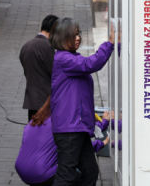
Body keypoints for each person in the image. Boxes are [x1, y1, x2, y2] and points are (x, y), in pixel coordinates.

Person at [50, 18, 114, 185]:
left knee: (90, 171)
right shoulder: (64, 59)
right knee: (66, 173)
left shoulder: (70, 58)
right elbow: (90, 64)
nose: (78, 38)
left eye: (78, 34)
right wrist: (110, 43)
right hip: (69, 128)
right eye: (73, 34)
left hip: (77, 127)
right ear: (62, 38)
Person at [19, 15, 58, 120]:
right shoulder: (47, 47)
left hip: (31, 101)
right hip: (46, 103)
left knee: (33, 133)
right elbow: (55, 73)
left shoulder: (26, 46)